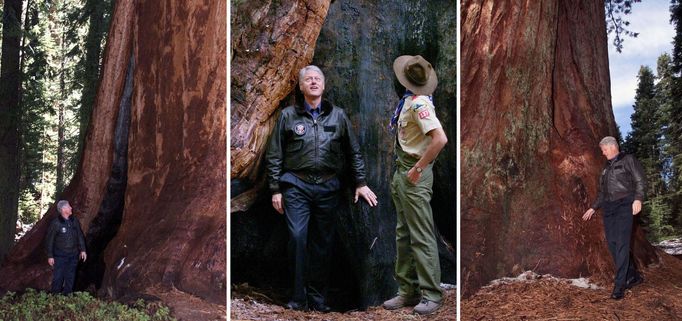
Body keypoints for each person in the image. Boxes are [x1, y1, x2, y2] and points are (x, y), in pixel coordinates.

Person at [265, 65, 378, 312]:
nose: (314, 82)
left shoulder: (338, 116)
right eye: (309, 80)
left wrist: (360, 183)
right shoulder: (288, 116)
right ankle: (297, 298)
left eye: (318, 79)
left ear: (324, 86)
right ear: (302, 87)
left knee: (323, 243)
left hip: (328, 187)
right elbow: (275, 154)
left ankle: (317, 300)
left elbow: (353, 151)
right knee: (297, 237)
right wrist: (275, 189)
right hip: (296, 185)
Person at [382, 55, 448, 315]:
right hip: (402, 171)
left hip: (413, 174)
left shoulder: (420, 104)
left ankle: (432, 294)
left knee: (420, 234)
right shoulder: (409, 101)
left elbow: (440, 139)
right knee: (403, 233)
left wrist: (418, 168)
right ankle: (407, 290)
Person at [582, 136, 645, 300]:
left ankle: (620, 285)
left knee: (622, 244)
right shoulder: (606, 168)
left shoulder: (628, 160)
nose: (602, 153)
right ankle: (633, 276)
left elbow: (640, 179)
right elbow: (603, 193)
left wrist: (638, 198)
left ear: (611, 147)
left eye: (603, 150)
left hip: (625, 204)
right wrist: (593, 207)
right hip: (609, 209)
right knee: (613, 244)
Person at [46, 200, 87, 295]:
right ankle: (55, 297)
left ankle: (67, 296)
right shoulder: (56, 223)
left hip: (73, 255)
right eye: (69, 206)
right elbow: (50, 240)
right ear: (63, 209)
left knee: (70, 276)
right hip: (60, 255)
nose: (71, 208)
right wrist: (50, 255)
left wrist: (83, 250)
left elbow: (79, 236)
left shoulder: (74, 221)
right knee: (58, 277)